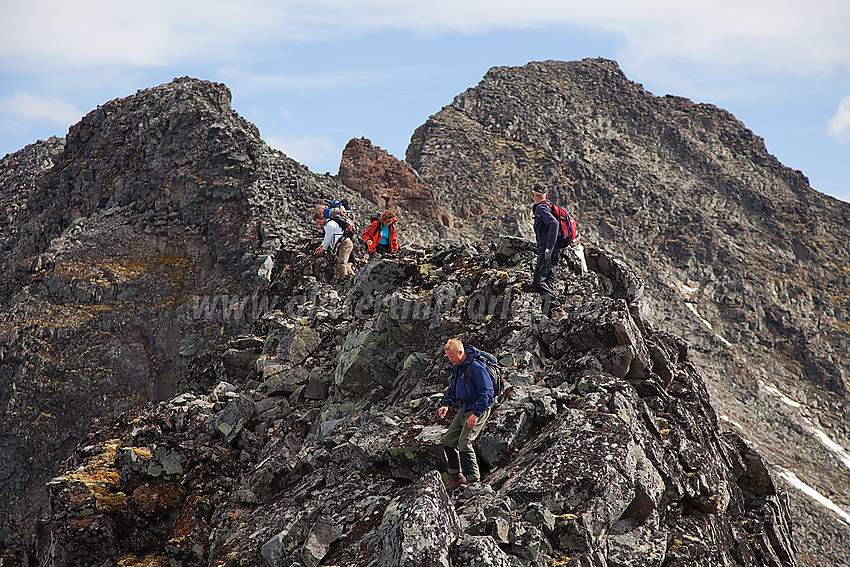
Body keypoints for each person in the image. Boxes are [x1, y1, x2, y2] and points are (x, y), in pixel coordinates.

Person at [436, 338, 495, 491]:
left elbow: (487, 392)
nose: (449, 360)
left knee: (464, 442)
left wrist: (475, 415)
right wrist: (446, 404)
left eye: (451, 356)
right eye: (448, 357)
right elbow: (454, 387)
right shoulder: (457, 366)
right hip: (464, 408)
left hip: (478, 409)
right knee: (449, 440)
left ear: (460, 352)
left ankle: (474, 482)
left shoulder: (475, 366)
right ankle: (457, 477)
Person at [531, 183, 566, 320]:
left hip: (547, 249)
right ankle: (549, 315)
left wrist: (548, 248)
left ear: (532, 194)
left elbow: (554, 224)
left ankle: (556, 308)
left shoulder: (541, 208)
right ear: (546, 195)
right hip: (555, 249)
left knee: (538, 282)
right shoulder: (548, 207)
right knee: (548, 282)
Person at [313, 206, 355, 281]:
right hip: (343, 244)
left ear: (323, 218)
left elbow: (328, 238)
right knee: (344, 264)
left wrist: (323, 248)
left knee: (341, 263)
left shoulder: (330, 225)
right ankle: (354, 278)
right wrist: (321, 246)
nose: (319, 224)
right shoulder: (328, 225)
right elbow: (327, 238)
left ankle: (344, 282)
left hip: (344, 244)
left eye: (319, 222)